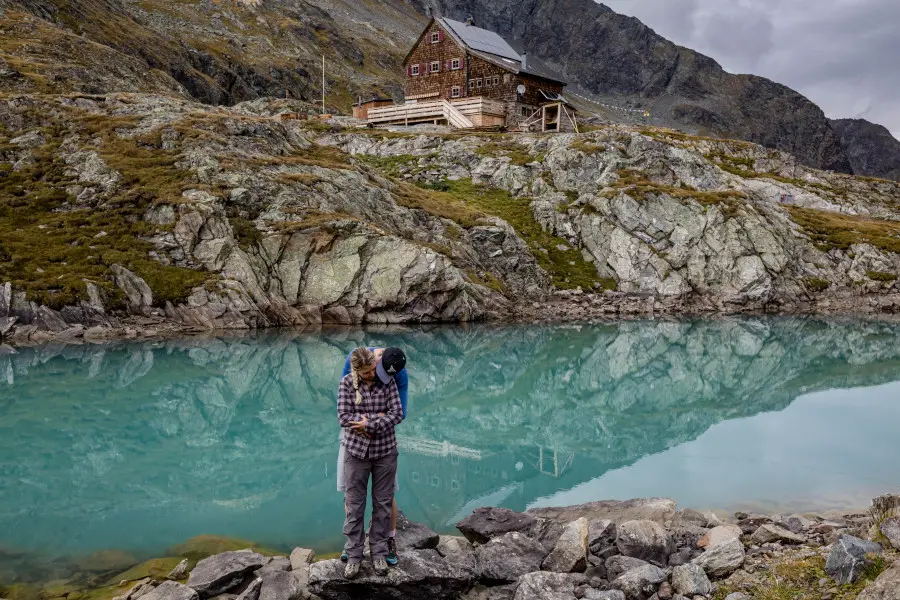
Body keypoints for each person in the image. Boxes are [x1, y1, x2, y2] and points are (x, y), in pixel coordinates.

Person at [337, 347, 407, 566]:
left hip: (384, 449)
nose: (373, 375)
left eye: (374, 371)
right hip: (355, 449)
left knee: (384, 501)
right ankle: (354, 551)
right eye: (367, 372)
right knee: (353, 501)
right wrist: (373, 418)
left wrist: (370, 423)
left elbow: (398, 413)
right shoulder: (348, 377)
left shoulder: (393, 378)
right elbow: (343, 415)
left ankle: (381, 549)